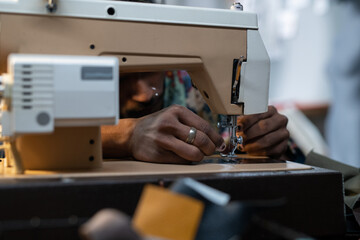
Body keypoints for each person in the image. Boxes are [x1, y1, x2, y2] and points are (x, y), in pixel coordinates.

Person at [101, 70, 291, 163]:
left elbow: (238, 139)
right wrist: (128, 135)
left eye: (150, 71)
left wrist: (264, 136)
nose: (144, 95)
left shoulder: (197, 85)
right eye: (124, 74)